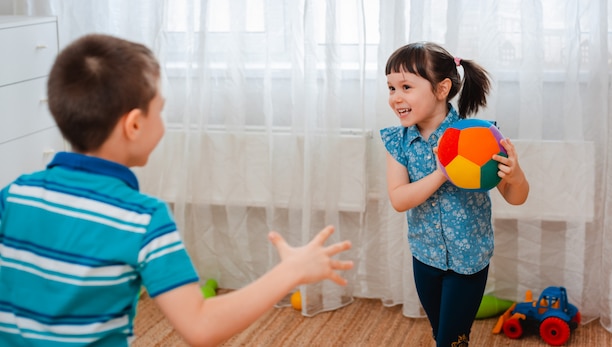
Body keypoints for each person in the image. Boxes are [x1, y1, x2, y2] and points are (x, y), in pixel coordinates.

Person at [0, 33, 354, 347]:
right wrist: (289, 272)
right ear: (135, 124)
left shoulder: (15, 195)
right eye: (161, 111)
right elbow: (200, 327)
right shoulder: (143, 218)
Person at [380, 42, 529, 347]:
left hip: (469, 261)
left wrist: (516, 175)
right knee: (443, 334)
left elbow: (516, 197)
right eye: (391, 88)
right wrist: (442, 173)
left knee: (451, 338)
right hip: (425, 257)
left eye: (406, 86)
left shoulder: (480, 136)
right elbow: (399, 199)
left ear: (442, 88)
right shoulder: (398, 141)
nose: (396, 98)